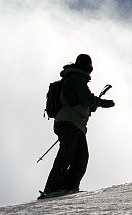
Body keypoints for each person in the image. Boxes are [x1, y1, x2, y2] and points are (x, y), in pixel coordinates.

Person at [40, 54, 115, 198]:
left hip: (73, 124)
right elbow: (85, 98)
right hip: (70, 122)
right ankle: (53, 188)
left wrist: (91, 105)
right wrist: (101, 103)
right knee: (67, 155)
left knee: (81, 157)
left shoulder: (74, 78)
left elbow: (79, 100)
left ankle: (68, 187)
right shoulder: (75, 78)